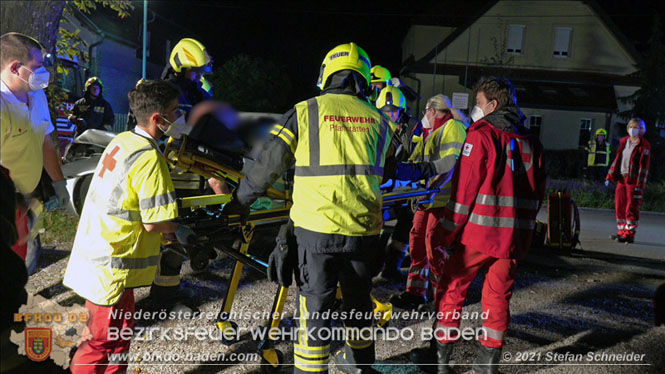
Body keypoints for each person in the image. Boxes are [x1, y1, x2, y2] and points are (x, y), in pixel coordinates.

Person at [223, 42, 392, 374]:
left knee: (315, 310)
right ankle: (361, 366)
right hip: (363, 233)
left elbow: (267, 165)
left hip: (316, 234)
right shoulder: (379, 120)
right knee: (358, 304)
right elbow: (393, 169)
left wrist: (238, 204)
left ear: (326, 74)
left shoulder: (305, 111)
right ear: (362, 79)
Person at [410, 77, 546, 374]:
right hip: (512, 238)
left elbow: (464, 191)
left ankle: (441, 360)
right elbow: (537, 192)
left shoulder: (481, 134)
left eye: (480, 103)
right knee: (498, 296)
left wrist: (447, 230)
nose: (476, 109)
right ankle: (487, 365)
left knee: (451, 289)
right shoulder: (531, 141)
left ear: (493, 105)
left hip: (478, 234)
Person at [62, 80, 195, 373]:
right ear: (159, 119)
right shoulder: (148, 158)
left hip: (106, 263)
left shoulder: (122, 140)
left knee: (118, 340)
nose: (181, 116)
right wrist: (186, 231)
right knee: (99, 344)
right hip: (111, 270)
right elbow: (154, 222)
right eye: (176, 110)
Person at [150, 38, 216, 312]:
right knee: (171, 237)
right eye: (195, 71)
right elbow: (179, 131)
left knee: (180, 235)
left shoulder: (191, 90)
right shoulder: (165, 93)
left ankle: (169, 287)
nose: (199, 76)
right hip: (174, 176)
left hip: (190, 173)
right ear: (180, 68)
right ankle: (163, 299)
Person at [0, 32, 74, 272]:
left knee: (26, 259)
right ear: (14, 68)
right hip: (5, 203)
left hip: (27, 199)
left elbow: (45, 143)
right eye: (37, 67)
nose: (43, 74)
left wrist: (60, 186)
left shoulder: (37, 95)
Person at [388, 94, 468, 309]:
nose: (424, 116)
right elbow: (417, 164)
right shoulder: (429, 133)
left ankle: (442, 298)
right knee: (417, 244)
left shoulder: (453, 128)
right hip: (427, 199)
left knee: (435, 247)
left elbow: (451, 164)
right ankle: (415, 293)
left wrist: (433, 188)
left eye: (425, 111)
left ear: (432, 111)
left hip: (442, 200)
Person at [374, 86, 419, 281]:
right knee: (377, 223)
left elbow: (414, 153)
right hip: (381, 183)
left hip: (404, 183)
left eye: (394, 111)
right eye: (386, 112)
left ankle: (391, 266)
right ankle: (373, 264)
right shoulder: (373, 124)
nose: (390, 116)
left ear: (402, 111)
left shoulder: (412, 127)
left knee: (406, 221)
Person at [605, 118, 650, 243]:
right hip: (622, 178)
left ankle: (629, 234)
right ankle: (621, 231)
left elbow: (644, 166)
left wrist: (640, 184)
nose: (633, 129)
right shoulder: (624, 142)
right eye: (631, 126)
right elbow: (618, 159)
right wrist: (610, 176)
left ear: (642, 130)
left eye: (637, 127)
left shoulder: (643, 145)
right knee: (620, 204)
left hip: (633, 180)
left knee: (632, 206)